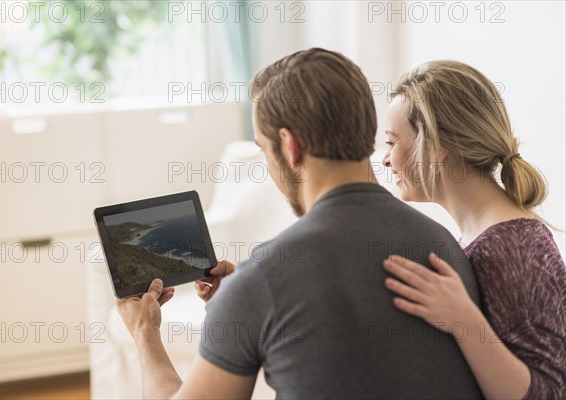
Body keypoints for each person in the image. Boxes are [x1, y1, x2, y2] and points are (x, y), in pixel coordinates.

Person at [116, 48, 483, 399]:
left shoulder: (260, 282)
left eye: (263, 149)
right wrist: (241, 305)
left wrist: (144, 331)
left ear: (289, 146)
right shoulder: (445, 246)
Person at [379, 60, 566, 399]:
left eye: (392, 142)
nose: (385, 159)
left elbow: (551, 393)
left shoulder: (512, 249)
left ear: (436, 147)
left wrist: (463, 320)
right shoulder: (491, 238)